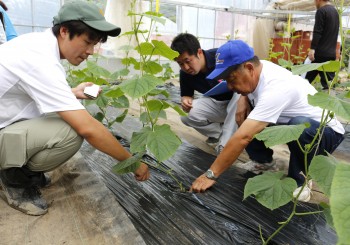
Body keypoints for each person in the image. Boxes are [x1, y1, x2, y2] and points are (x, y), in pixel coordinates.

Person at [0, 0, 150, 216]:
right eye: (88, 42)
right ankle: (15, 180)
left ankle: (18, 168)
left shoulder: (37, 45)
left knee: (61, 113)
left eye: (95, 44)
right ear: (64, 31)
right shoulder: (41, 60)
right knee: (70, 132)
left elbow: (27, 94)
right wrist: (132, 162)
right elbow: (88, 129)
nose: (90, 51)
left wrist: (73, 92)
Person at [191, 40, 345, 199]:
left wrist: (210, 174)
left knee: (298, 125)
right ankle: (262, 160)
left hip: (325, 133)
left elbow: (243, 137)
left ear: (249, 68)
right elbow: (247, 84)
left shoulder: (276, 87)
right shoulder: (257, 68)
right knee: (249, 117)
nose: (229, 86)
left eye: (231, 79)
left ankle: (301, 179)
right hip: (289, 124)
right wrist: (242, 99)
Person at [170, 33, 249, 154]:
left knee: (238, 96)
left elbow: (247, 74)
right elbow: (186, 95)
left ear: (199, 52)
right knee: (185, 115)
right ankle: (223, 135)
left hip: (242, 103)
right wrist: (185, 100)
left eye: (188, 61)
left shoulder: (220, 57)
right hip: (219, 105)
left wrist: (244, 98)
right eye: (180, 64)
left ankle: (225, 144)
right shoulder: (185, 73)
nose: (185, 67)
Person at [305, 0, 339, 90]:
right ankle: (329, 103)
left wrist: (312, 49)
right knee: (329, 85)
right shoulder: (335, 12)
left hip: (318, 54)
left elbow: (317, 32)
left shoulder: (321, 11)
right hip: (330, 54)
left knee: (302, 79)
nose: (314, 3)